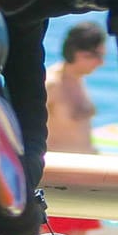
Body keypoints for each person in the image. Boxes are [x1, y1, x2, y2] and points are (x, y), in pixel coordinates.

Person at [45, 20, 106, 154]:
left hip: (85, 164)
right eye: (97, 56)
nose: (101, 63)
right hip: (61, 169)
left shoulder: (78, 79)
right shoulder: (51, 84)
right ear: (77, 53)